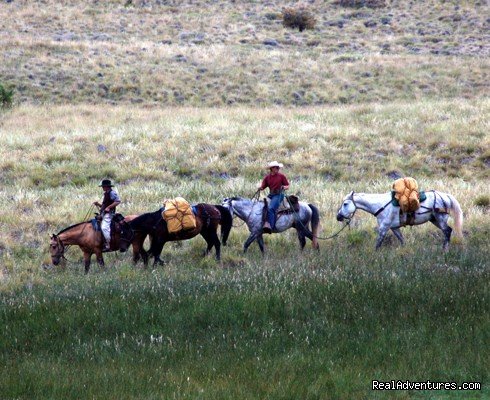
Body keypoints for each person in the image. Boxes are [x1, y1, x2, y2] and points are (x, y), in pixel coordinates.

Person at [258, 161, 290, 233]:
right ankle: (263, 223)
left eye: (278, 167)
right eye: (276, 167)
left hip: (279, 195)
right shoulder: (267, 178)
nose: (278, 169)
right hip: (271, 195)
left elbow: (287, 186)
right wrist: (260, 188)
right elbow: (263, 186)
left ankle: (271, 226)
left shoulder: (281, 176)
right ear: (271, 168)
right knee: (263, 207)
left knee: (271, 208)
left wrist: (284, 187)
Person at [93, 179, 121, 251]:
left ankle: (108, 244)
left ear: (107, 186)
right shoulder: (106, 193)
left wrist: (109, 207)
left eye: (103, 186)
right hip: (104, 214)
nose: (102, 188)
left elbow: (118, 201)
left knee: (104, 228)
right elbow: (104, 206)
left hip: (109, 214)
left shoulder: (112, 193)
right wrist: (98, 204)